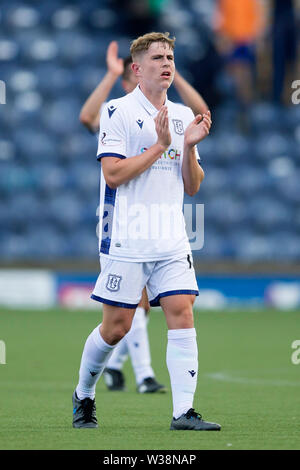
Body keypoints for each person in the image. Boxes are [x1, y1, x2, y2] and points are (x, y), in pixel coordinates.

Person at [72, 32, 221, 431]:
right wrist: (159, 147)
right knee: (116, 326)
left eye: (170, 56)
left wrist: (187, 148)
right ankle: (84, 393)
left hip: (171, 237)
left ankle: (183, 412)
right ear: (137, 68)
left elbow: (192, 186)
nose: (166, 63)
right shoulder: (118, 112)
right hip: (127, 235)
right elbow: (113, 174)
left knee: (182, 311)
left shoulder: (181, 114)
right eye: (158, 57)